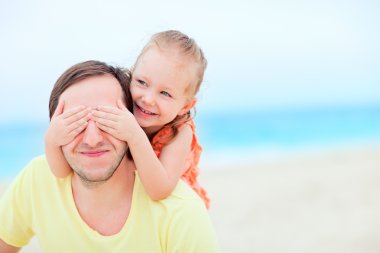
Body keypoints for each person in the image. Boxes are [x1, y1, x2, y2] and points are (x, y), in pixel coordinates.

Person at [0, 60, 219, 252]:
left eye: (108, 120)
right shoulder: (36, 179)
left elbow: (160, 189)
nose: (92, 139)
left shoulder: (182, 213)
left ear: (133, 122)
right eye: (76, 123)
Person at [45, 30, 210, 208]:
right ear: (131, 75)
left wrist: (134, 135)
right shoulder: (124, 107)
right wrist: (52, 141)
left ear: (185, 106)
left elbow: (159, 191)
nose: (147, 99)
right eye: (142, 82)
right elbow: (63, 173)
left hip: (171, 211)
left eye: (165, 93)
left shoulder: (179, 132)